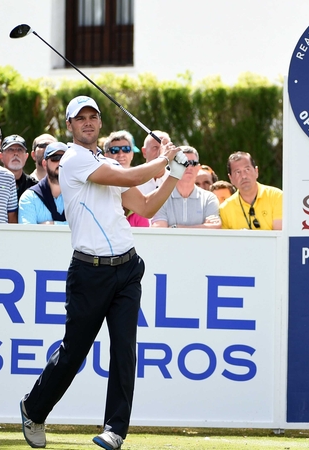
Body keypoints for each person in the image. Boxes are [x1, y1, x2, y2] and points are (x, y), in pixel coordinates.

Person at [19, 96, 186, 450]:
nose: (88, 122)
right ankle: (34, 409)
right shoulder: (73, 159)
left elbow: (146, 204)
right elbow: (129, 174)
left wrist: (176, 172)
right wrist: (163, 159)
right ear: (69, 126)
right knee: (74, 352)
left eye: (93, 117)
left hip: (127, 267)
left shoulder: (104, 160)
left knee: (124, 350)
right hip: (89, 271)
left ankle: (115, 429)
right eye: (80, 118)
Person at [151, 146, 221, 228]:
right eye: (183, 162)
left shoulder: (209, 198)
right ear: (173, 166)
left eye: (193, 163)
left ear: (198, 168)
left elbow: (214, 228)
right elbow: (160, 230)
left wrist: (176, 228)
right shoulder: (161, 197)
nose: (189, 167)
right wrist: (202, 226)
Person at [219, 152, 283, 230]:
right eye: (238, 172)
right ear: (231, 178)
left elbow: (279, 237)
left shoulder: (277, 196)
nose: (244, 176)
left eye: (247, 169)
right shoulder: (224, 209)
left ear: (256, 171)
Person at [18, 142, 67, 225]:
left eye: (65, 158)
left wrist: (52, 225)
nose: (60, 162)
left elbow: (86, 228)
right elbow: (29, 234)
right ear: (44, 164)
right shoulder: (29, 198)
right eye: (55, 158)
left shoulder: (80, 195)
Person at [0, 135, 39, 199]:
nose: (16, 153)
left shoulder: (35, 186)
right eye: (10, 150)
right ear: (1, 156)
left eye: (20, 150)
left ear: (26, 156)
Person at [137, 130, 170, 195]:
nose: (161, 152)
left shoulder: (176, 181)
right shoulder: (133, 180)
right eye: (155, 148)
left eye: (164, 148)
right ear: (144, 152)